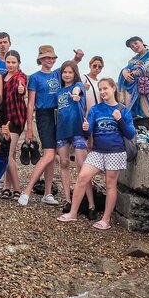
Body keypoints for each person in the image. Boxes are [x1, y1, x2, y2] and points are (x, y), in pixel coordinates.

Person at [58, 77, 136, 230]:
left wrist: (120, 120)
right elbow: (88, 134)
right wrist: (86, 128)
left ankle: (105, 220)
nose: (102, 92)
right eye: (100, 89)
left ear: (113, 88)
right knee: (82, 177)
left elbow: (130, 133)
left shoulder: (123, 110)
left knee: (110, 184)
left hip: (116, 152)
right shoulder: (95, 109)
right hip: (97, 151)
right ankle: (73, 213)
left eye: (105, 88)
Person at [18, 45, 62, 206]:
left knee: (52, 155)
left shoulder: (57, 74)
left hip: (58, 114)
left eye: (52, 58)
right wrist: (29, 128)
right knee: (49, 154)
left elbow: (72, 65)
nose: (50, 60)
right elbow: (31, 104)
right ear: (40, 59)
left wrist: (78, 57)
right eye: (47, 57)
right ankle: (27, 190)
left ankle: (47, 192)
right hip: (44, 115)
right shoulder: (35, 78)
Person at [55, 61, 88, 209]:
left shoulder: (79, 86)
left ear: (75, 74)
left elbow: (77, 90)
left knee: (81, 166)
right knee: (64, 163)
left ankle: (83, 199)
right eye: (64, 72)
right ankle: (68, 199)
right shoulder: (60, 92)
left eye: (70, 72)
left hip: (77, 131)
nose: (67, 75)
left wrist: (75, 95)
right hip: (62, 131)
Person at [0, 50, 27, 199]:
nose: (11, 65)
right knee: (10, 153)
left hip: (15, 118)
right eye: (8, 62)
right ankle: (6, 186)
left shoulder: (20, 77)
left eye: (13, 62)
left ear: (18, 63)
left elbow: (22, 88)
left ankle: (16, 188)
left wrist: (22, 90)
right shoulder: (2, 77)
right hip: (4, 117)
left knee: (8, 153)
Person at [117, 37, 149, 118]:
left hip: (146, 89)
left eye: (136, 43)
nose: (134, 47)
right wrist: (124, 72)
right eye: (132, 46)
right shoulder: (133, 60)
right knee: (133, 117)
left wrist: (131, 72)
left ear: (142, 42)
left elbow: (148, 68)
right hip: (132, 90)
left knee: (147, 115)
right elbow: (126, 69)